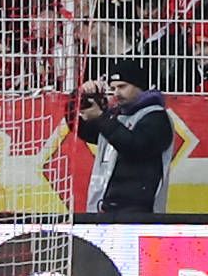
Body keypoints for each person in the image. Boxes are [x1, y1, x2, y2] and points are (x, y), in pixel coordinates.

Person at [70, 68, 175, 218]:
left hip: (140, 212)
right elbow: (81, 129)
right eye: (113, 88)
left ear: (140, 86)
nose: (117, 93)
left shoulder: (156, 117)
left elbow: (135, 147)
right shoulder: (115, 115)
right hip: (104, 207)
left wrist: (101, 118)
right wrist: (79, 96)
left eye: (122, 87)